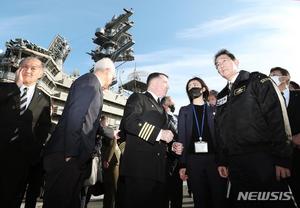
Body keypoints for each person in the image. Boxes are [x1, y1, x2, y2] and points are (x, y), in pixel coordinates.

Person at [214, 49, 295, 208]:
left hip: (263, 158)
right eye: (217, 65)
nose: (220, 66)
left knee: (274, 201)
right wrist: (222, 160)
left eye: (223, 61)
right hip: (235, 163)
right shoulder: (222, 95)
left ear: (236, 61)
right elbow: (221, 130)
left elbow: (276, 117)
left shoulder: (257, 80)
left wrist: (283, 158)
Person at [42, 57, 116, 208]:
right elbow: (76, 117)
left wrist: (111, 132)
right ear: (107, 71)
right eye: (113, 75)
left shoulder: (93, 86)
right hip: (67, 155)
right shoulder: (90, 83)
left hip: (74, 156)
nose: (113, 79)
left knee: (69, 200)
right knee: (58, 201)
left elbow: (91, 121)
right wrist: (71, 153)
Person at [117, 72, 183, 208]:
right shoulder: (138, 98)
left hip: (159, 172)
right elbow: (130, 122)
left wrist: (172, 146)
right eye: (165, 83)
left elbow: (164, 138)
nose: (168, 87)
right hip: (139, 170)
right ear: (155, 83)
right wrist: (159, 134)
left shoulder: (162, 109)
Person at [0, 57, 51, 208]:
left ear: (41, 73)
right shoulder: (4, 88)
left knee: (13, 199)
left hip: (21, 160)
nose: (28, 70)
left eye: (33, 68)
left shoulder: (45, 100)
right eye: (24, 66)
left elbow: (43, 128)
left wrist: (32, 153)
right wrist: (17, 85)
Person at [178, 77, 227, 208]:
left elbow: (220, 137)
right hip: (193, 161)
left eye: (195, 84)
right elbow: (182, 138)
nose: (192, 87)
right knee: (200, 199)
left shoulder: (213, 110)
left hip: (214, 160)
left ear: (203, 88)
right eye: (189, 86)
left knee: (219, 197)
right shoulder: (184, 110)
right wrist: (182, 164)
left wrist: (222, 161)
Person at [270, 67, 300, 206]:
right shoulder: (267, 103)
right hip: (277, 161)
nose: (271, 78)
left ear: (285, 78)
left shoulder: (298, 96)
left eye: (275, 75)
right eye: (270, 75)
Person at [161, 96, 183, 208]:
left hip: (179, 162)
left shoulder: (178, 117)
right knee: (164, 195)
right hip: (166, 162)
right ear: (165, 104)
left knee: (177, 195)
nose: (173, 101)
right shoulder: (160, 118)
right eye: (171, 100)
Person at [101, 115, 121, 208]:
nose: (102, 123)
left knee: (114, 187)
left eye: (103, 121)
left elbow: (113, 146)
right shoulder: (103, 130)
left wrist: (107, 160)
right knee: (108, 187)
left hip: (112, 161)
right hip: (108, 161)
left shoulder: (109, 131)